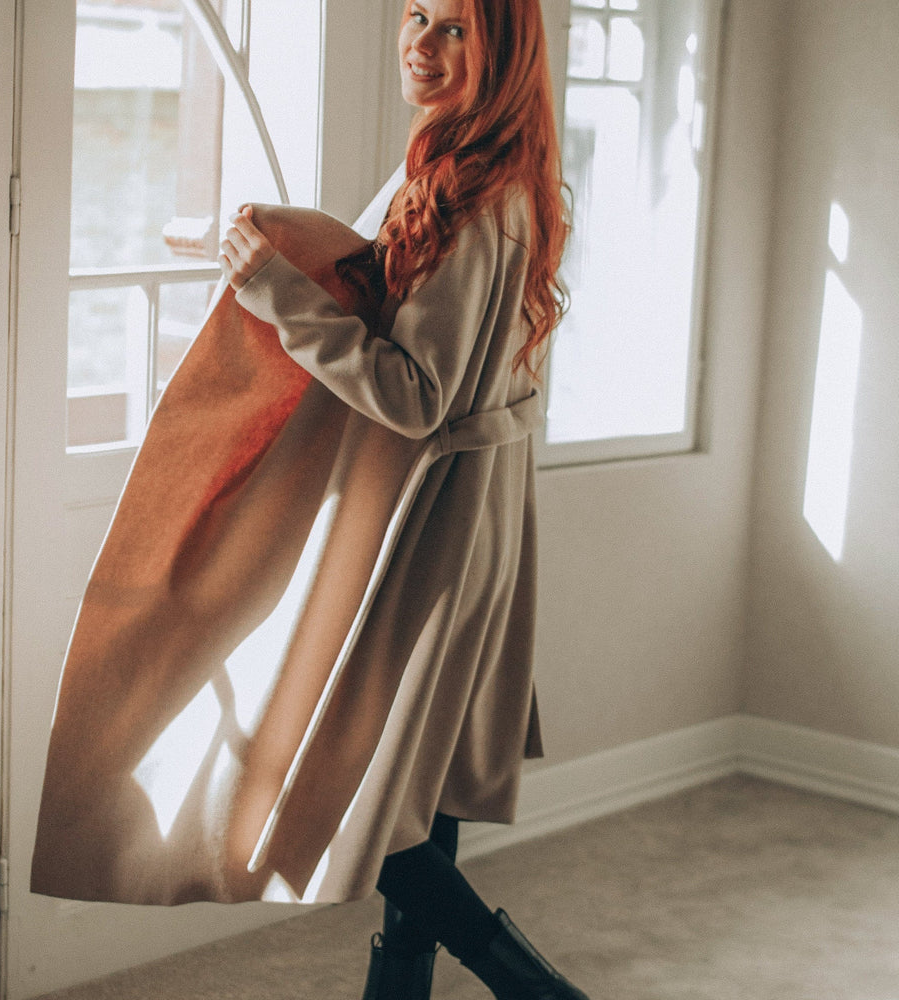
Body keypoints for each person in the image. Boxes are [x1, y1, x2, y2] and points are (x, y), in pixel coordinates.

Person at [219, 2, 586, 998]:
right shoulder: (484, 167)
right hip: (470, 508)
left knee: (344, 782)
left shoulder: (474, 195)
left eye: (455, 28)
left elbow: (415, 394)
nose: (422, 44)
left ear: (503, 48)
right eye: (415, 14)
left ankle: (538, 990)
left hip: (440, 519)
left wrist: (278, 293)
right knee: (425, 778)